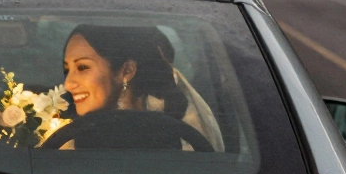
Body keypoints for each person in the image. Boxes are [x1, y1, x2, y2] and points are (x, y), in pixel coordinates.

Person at [58, 25, 223, 150]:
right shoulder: (59, 130)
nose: (68, 84)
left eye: (82, 67)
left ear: (127, 70)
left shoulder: (184, 138)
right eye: (67, 70)